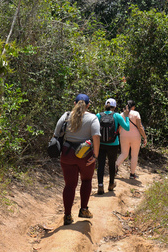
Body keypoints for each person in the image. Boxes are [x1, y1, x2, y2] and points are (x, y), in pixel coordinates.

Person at [53, 93, 100, 225]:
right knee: (86, 180)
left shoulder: (66, 116)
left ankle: (67, 216)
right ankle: (83, 209)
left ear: (74, 104)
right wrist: (95, 155)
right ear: (88, 105)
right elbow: (96, 136)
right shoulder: (92, 118)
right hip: (85, 155)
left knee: (69, 185)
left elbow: (56, 134)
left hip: (67, 154)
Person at [95, 98, 130, 195]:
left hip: (101, 144)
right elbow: (127, 127)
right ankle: (111, 184)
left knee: (100, 165)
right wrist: (126, 116)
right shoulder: (117, 116)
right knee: (111, 164)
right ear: (114, 107)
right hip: (113, 144)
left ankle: (100, 185)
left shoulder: (98, 115)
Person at [116, 100, 147, 179]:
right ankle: (132, 174)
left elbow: (119, 126)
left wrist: (120, 134)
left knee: (124, 154)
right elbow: (139, 126)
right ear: (133, 106)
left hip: (124, 135)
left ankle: (114, 167)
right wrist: (144, 137)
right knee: (134, 155)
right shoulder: (136, 113)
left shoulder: (122, 114)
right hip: (135, 136)